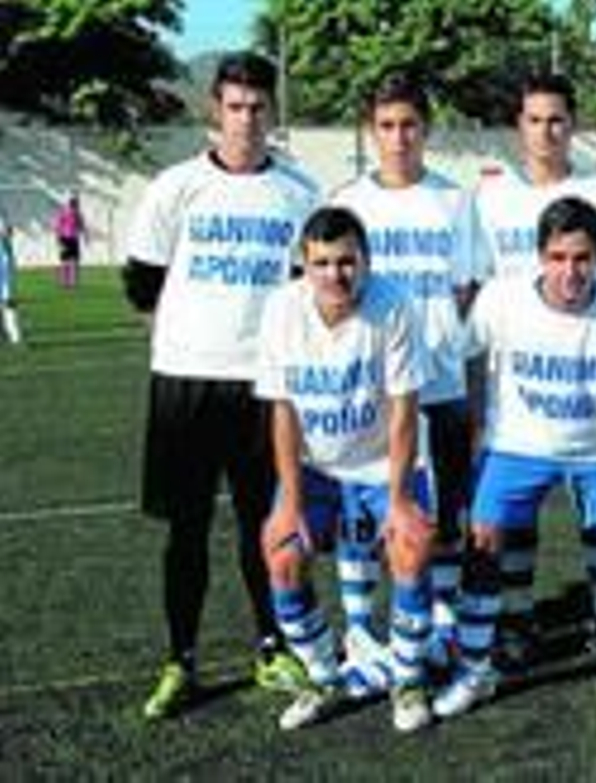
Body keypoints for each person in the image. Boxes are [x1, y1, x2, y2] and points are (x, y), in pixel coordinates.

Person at [122, 51, 319, 721]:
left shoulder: (298, 191)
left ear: (272, 110)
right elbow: (140, 284)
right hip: (185, 381)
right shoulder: (174, 187)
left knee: (264, 524)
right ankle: (181, 657)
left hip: (263, 386)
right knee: (187, 527)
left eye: (257, 106)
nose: (245, 119)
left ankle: (272, 644)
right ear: (215, 109)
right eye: (234, 106)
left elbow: (307, 286)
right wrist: (197, 336)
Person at [432, 197, 596, 720]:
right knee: (482, 537)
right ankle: (477, 669)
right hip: (519, 444)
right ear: (540, 257)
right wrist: (481, 425)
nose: (570, 271)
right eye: (558, 257)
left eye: (582, 258)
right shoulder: (501, 299)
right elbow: (473, 356)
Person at [471, 71, 596, 668]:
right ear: (519, 126)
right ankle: (516, 616)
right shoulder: (490, 197)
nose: (546, 131)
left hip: (590, 370)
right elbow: (477, 287)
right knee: (514, 512)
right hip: (519, 378)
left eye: (557, 119)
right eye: (534, 119)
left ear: (573, 125)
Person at [256, 206, 434, 733]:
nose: (336, 274)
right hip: (316, 466)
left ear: (367, 261)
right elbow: (282, 409)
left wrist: (400, 499)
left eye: (347, 261)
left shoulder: (394, 305)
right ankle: (323, 676)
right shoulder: (280, 311)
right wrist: (289, 501)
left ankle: (407, 678)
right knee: (281, 552)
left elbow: (405, 409)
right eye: (322, 263)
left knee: (412, 543)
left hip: (383, 462)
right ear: (304, 267)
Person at [330, 73, 478, 678]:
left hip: (440, 383)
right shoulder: (348, 201)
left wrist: (438, 345)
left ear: (427, 129)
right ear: (372, 130)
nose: (398, 138)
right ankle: (362, 629)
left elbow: (467, 287)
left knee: (441, 515)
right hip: (371, 393)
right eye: (387, 126)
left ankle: (442, 626)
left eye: (409, 125)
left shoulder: (455, 200)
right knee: (362, 515)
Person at [55, 194, 84, 289]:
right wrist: (58, 238)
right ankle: (65, 281)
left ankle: (72, 282)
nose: (75, 205)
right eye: (74, 203)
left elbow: (81, 225)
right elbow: (58, 226)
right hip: (65, 238)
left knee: (74, 261)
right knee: (65, 261)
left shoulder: (77, 214)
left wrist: (81, 231)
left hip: (73, 238)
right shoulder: (63, 213)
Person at [0, 205, 19, 345]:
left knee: (8, 300)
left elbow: (8, 235)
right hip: (5, 261)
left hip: (4, 262)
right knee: (7, 300)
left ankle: (13, 334)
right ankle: (10, 333)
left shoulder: (3, 215)